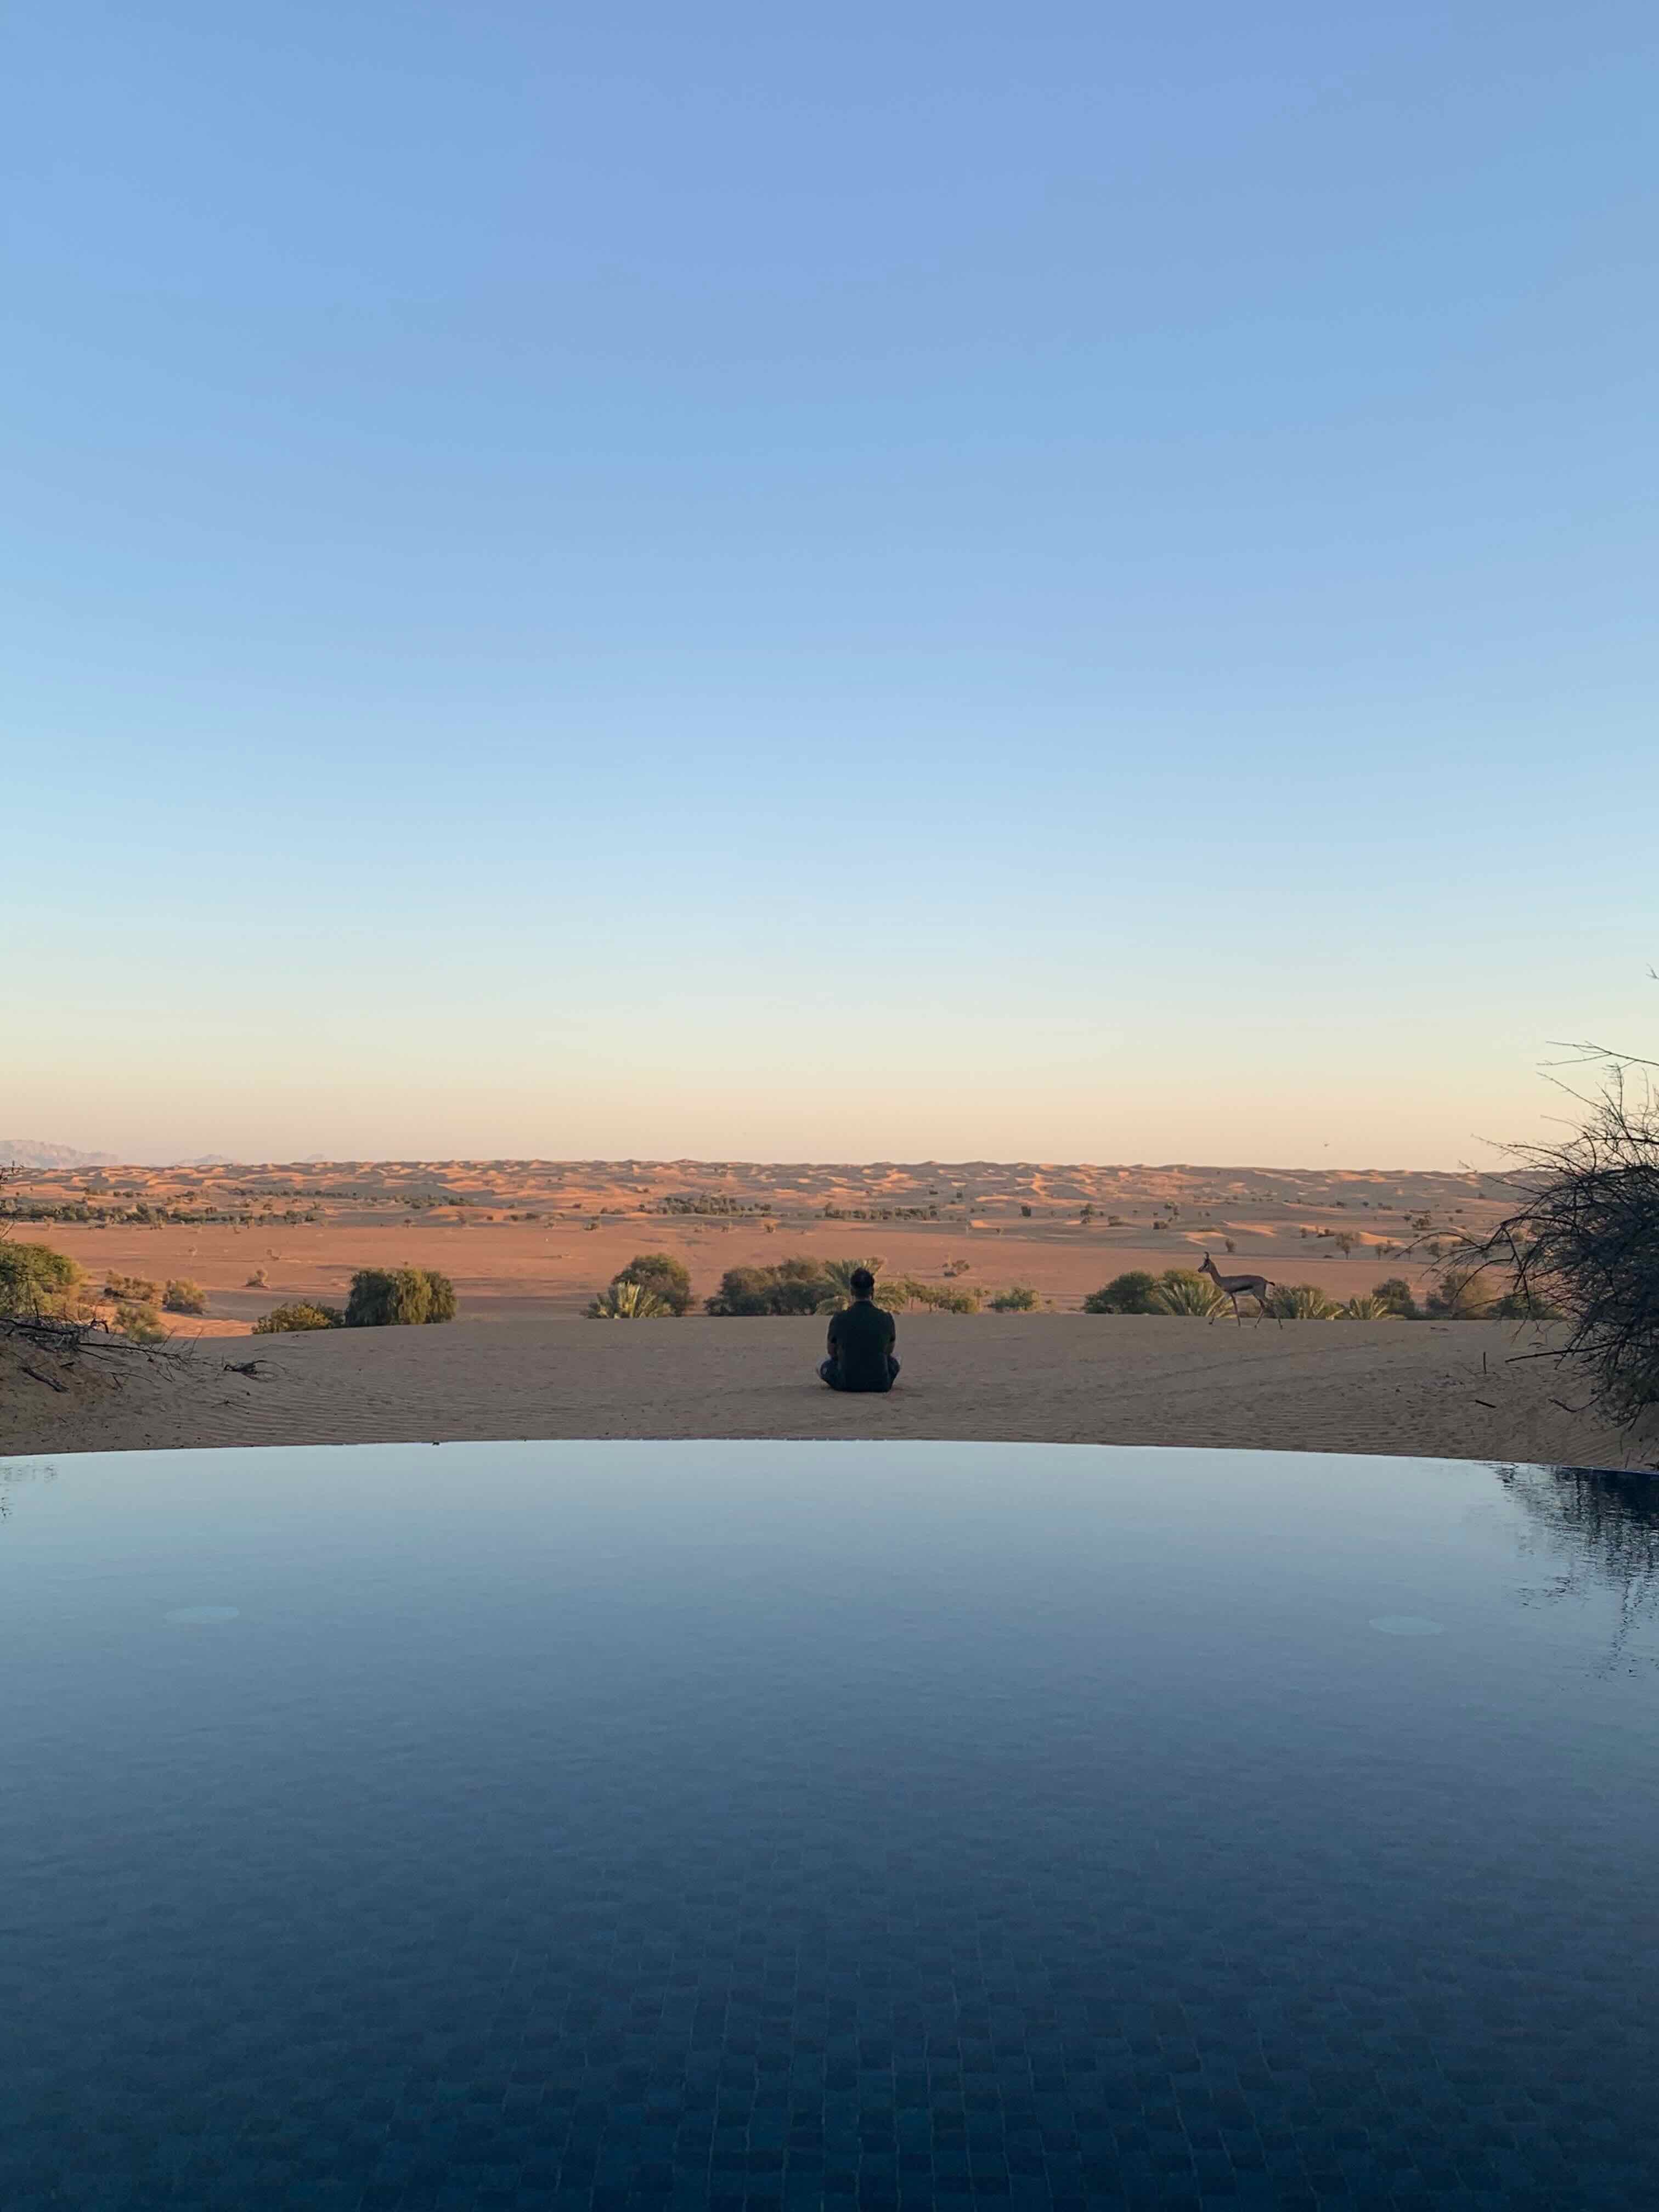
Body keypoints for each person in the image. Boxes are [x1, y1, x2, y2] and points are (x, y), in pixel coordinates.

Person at [819, 1267, 900, 1392]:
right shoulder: (886, 1318)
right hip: (881, 1384)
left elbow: (832, 1352)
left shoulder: (839, 1318)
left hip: (846, 1383)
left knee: (821, 1363)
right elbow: (889, 1351)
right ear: (873, 1291)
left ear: (851, 1291)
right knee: (897, 1359)